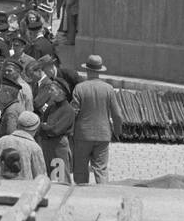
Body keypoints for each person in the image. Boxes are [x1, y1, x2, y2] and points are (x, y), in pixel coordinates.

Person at [71, 55, 124, 185]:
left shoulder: (79, 88)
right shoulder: (108, 89)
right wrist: (117, 131)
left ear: (87, 70)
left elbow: (73, 113)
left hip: (83, 135)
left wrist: (70, 131)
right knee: (101, 168)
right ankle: (103, 195)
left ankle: (81, 196)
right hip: (103, 135)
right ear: (100, 71)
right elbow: (117, 114)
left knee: (81, 169)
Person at [37, 79, 75, 184]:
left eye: (52, 90)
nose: (49, 92)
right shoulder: (50, 107)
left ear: (60, 92)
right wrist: (45, 127)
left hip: (59, 145)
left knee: (61, 174)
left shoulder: (68, 110)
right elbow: (42, 125)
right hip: (47, 144)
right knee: (51, 174)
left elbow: (56, 130)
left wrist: (46, 127)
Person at [0, 110, 46, 179]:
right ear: (35, 129)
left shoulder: (2, 141)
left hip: (3, 187)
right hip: (26, 188)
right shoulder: (35, 148)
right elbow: (41, 177)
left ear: (17, 125)